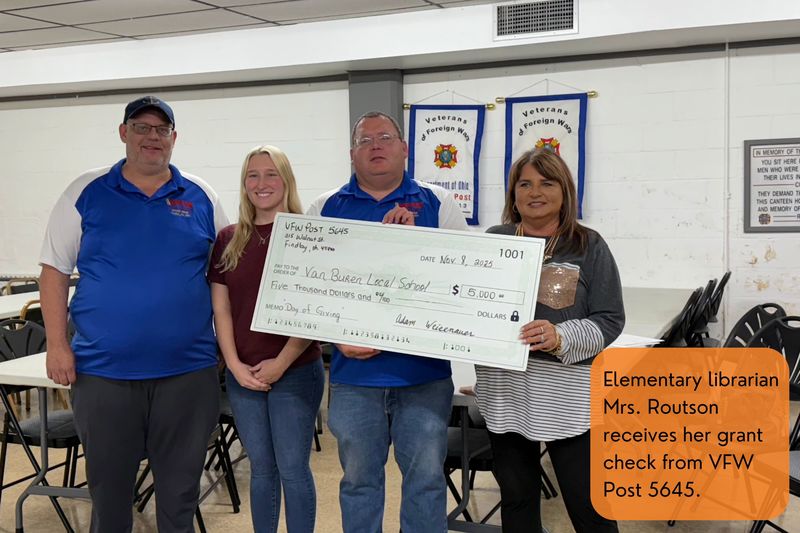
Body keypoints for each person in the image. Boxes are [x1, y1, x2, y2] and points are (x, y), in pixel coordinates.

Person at [40, 96, 228, 533]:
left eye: (161, 130)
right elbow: (54, 270)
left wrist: (227, 343)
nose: (152, 138)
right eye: (141, 128)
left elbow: (227, 272)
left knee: (181, 496)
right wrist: (56, 345)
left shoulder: (201, 196)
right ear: (123, 133)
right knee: (110, 496)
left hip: (188, 372)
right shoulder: (85, 192)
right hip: (104, 373)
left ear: (174, 139)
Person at [306, 111, 469, 532]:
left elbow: (460, 285)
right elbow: (309, 289)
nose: (375, 145)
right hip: (355, 378)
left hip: (423, 376)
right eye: (365, 140)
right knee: (359, 482)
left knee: (427, 481)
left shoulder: (438, 203)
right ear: (352, 154)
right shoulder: (325, 207)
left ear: (404, 149)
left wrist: (418, 245)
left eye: (385, 137)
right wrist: (334, 338)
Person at [475, 148, 624, 533]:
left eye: (546, 182)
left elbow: (610, 319)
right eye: (524, 183)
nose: (534, 192)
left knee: (590, 506)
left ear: (565, 191)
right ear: (513, 193)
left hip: (568, 401)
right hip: (507, 394)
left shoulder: (588, 245)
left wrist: (560, 336)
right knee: (518, 500)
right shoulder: (495, 240)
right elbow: (472, 304)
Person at [208, 145, 324, 533]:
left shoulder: (309, 235)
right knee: (261, 470)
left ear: (287, 180)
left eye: (271, 174)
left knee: (292, 469)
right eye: (253, 175)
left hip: (295, 371)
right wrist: (235, 366)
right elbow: (221, 310)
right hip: (244, 376)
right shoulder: (228, 238)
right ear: (244, 184)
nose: (262, 183)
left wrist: (281, 363)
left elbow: (314, 310)